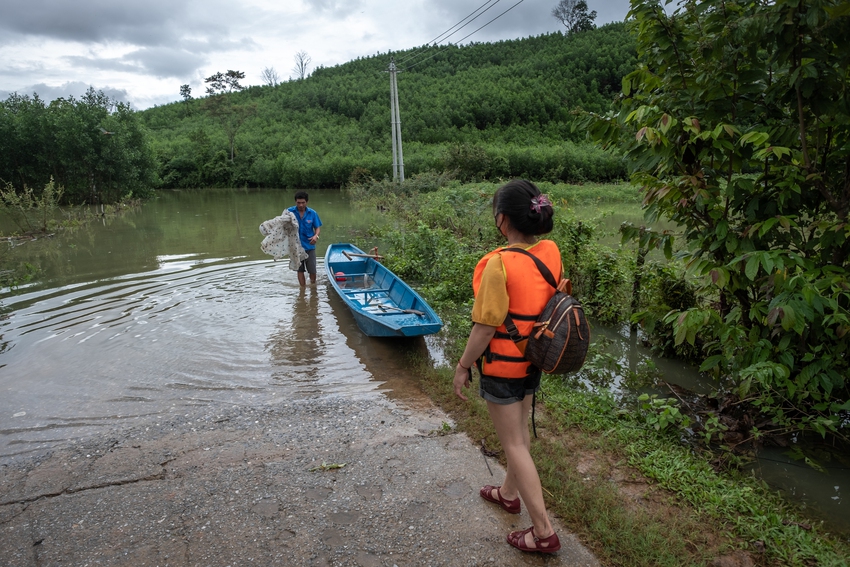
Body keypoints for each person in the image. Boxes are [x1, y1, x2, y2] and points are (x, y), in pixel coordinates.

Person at [453, 179, 562, 554]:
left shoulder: (497, 264)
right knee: (520, 436)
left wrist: (463, 366)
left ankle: (543, 532)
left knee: (513, 442)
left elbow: (485, 328)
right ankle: (508, 493)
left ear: (502, 220)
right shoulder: (550, 251)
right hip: (535, 360)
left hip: (503, 367)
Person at [287, 191, 322, 286]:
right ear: (295, 202)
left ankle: (313, 286)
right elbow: (282, 225)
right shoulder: (289, 212)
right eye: (298, 202)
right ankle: (302, 291)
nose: (301, 205)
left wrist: (316, 236)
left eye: (303, 202)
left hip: (309, 246)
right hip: (295, 247)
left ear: (307, 202)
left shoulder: (312, 213)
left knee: (312, 270)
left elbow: (317, 227)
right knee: (300, 270)